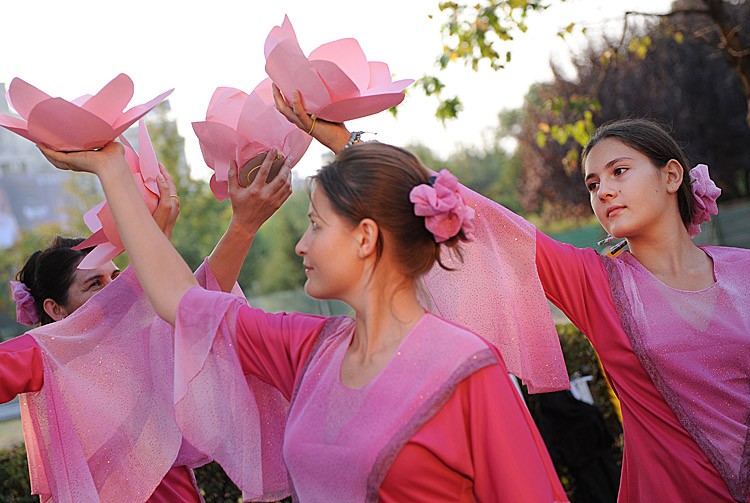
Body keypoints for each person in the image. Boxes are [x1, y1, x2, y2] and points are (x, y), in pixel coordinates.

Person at [39, 135, 569, 501]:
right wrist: (111, 167)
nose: (299, 244)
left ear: (365, 237)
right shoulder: (309, 350)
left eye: (315, 225)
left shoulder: (467, 369)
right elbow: (178, 299)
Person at [277, 105, 749, 502]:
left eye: (619, 171)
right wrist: (347, 142)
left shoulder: (743, 270)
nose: (603, 191)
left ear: (671, 176)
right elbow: (477, 215)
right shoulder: (595, 282)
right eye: (591, 184)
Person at [1, 154, 293, 503]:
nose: (115, 290)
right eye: (95, 284)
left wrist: (243, 225)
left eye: (118, 277)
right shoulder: (44, 355)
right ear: (55, 309)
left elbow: (200, 298)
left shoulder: (143, 340)